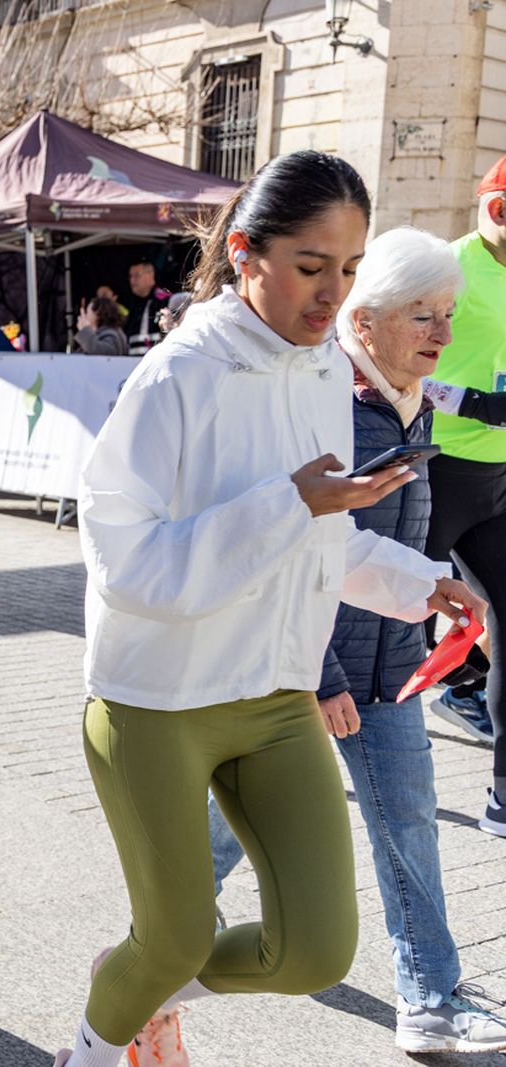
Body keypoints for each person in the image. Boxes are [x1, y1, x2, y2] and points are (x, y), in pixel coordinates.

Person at [52, 151, 484, 1067]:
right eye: (311, 265)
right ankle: (99, 1037)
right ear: (247, 253)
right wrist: (290, 505)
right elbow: (125, 563)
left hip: (276, 694)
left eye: (350, 268)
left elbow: (322, 539)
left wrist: (421, 583)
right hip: (158, 700)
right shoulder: (177, 374)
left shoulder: (324, 370)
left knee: (317, 950)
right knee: (170, 935)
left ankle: (145, 984)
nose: (333, 295)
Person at [202, 226, 506, 1056]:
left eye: (448, 313)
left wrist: (431, 584)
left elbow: (388, 537)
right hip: (308, 670)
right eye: (423, 314)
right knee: (237, 817)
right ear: (364, 321)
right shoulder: (325, 405)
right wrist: (322, 672)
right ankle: (167, 931)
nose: (443, 332)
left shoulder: (414, 398)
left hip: (390, 668)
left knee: (408, 823)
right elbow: (300, 550)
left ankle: (430, 998)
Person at [424, 154, 506, 837]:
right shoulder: (445, 266)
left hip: (498, 480)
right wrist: (471, 402)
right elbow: (370, 350)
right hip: (434, 472)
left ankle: (504, 795)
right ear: (499, 211)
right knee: (392, 628)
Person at [123, 258, 172, 356]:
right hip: (132, 361)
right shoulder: (134, 305)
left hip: (156, 360)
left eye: (137, 275)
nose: (132, 280)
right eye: (130, 276)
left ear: (150, 274)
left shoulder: (164, 301)